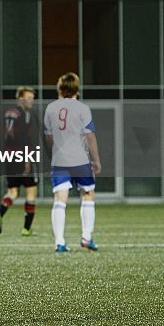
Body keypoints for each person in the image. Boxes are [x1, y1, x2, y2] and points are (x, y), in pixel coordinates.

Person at [43, 72, 101, 253]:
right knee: (88, 194)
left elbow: (49, 138)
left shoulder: (51, 108)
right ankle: (86, 237)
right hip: (80, 159)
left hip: (59, 160)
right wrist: (96, 160)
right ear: (77, 88)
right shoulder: (82, 108)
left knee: (60, 200)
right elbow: (90, 137)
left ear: (60, 88)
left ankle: (59, 242)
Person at [0, 86, 39, 236]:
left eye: (32, 98)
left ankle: (0, 212)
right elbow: (24, 137)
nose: (31, 101)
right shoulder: (25, 114)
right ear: (20, 98)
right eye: (28, 98)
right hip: (22, 156)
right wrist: (27, 159)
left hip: (9, 157)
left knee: (12, 192)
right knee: (31, 192)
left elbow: (7, 136)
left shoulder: (8, 112)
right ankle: (26, 228)